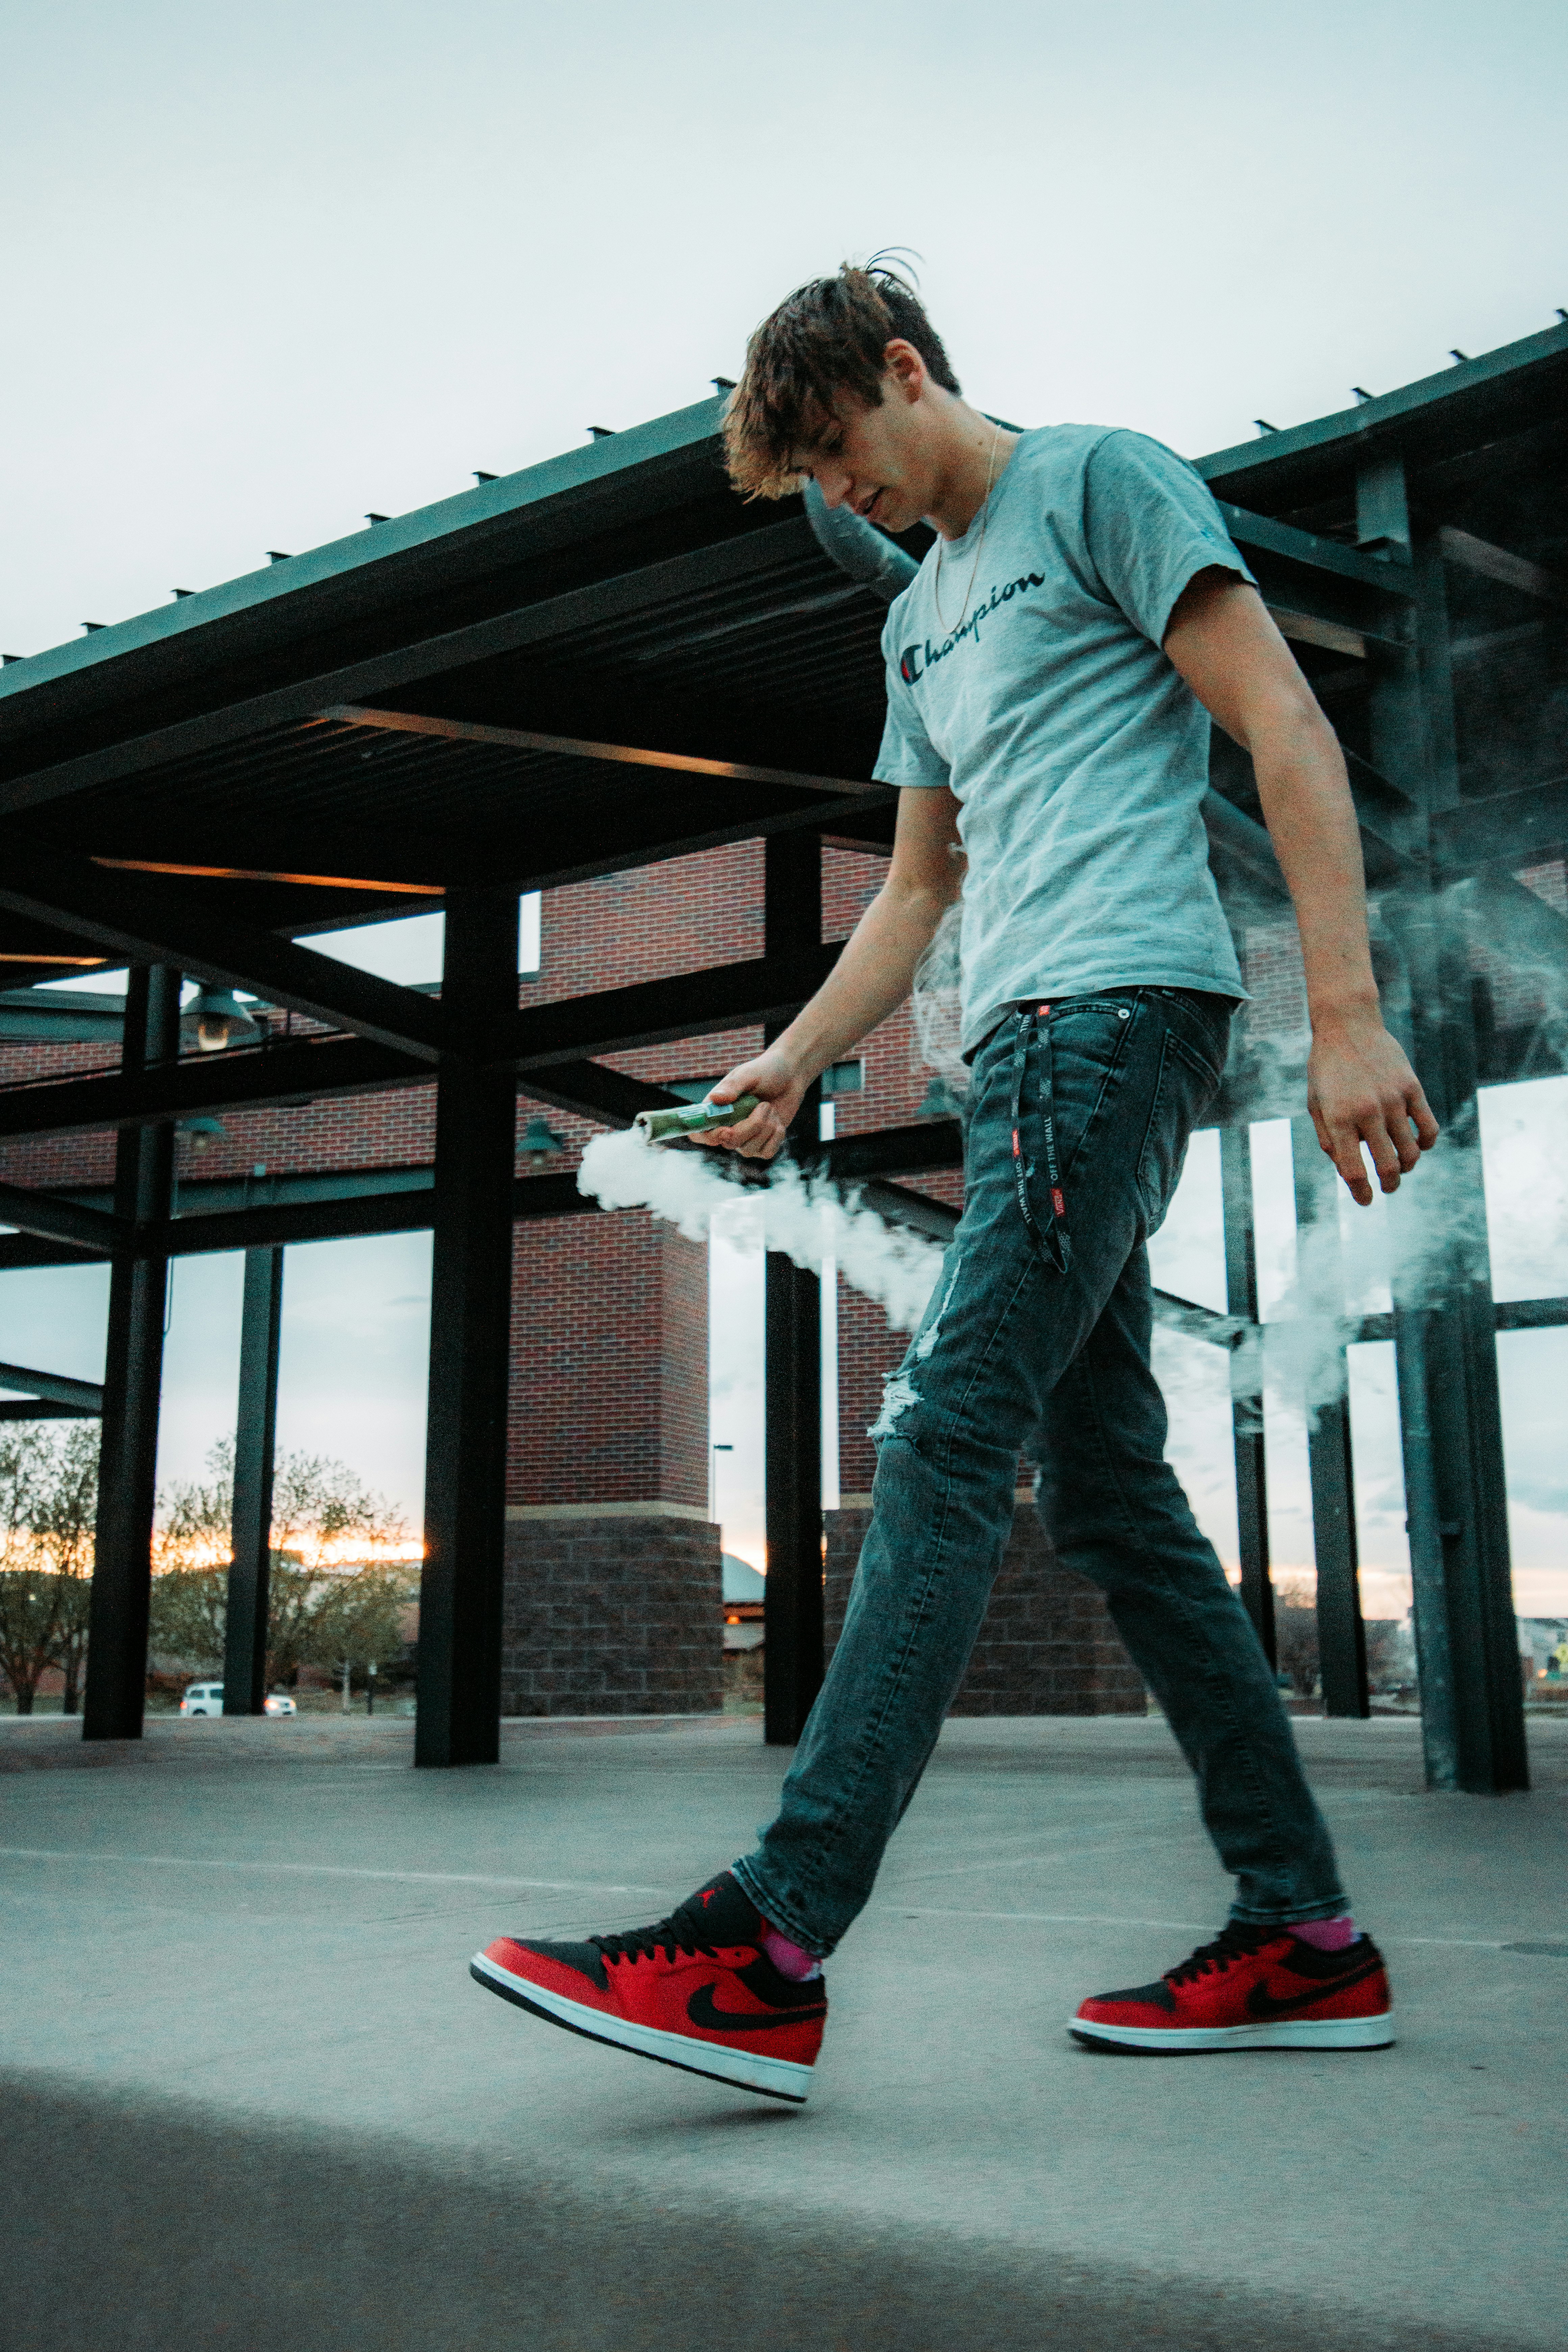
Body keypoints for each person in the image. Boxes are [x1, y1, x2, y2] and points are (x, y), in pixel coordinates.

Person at [471, 262, 1437, 2101]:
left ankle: (767, 1944)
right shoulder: (911, 625)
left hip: (1121, 1016)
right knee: (1115, 1500)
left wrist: (1347, 1014)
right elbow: (918, 893)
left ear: (907, 371)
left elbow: (1283, 726)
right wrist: (790, 1063)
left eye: (849, 453)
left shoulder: (1101, 481)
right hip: (1016, 1059)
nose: (852, 498)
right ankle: (1307, 1934)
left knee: (938, 1434)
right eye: (818, 487)